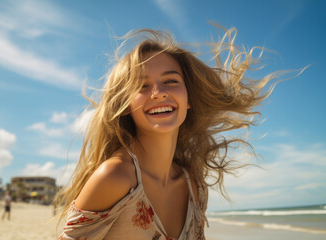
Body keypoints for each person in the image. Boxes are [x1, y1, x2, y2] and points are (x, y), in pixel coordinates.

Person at [56, 25, 286, 240]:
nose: (158, 92)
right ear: (125, 105)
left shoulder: (193, 186)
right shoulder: (115, 177)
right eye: (142, 86)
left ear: (188, 99)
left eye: (171, 81)